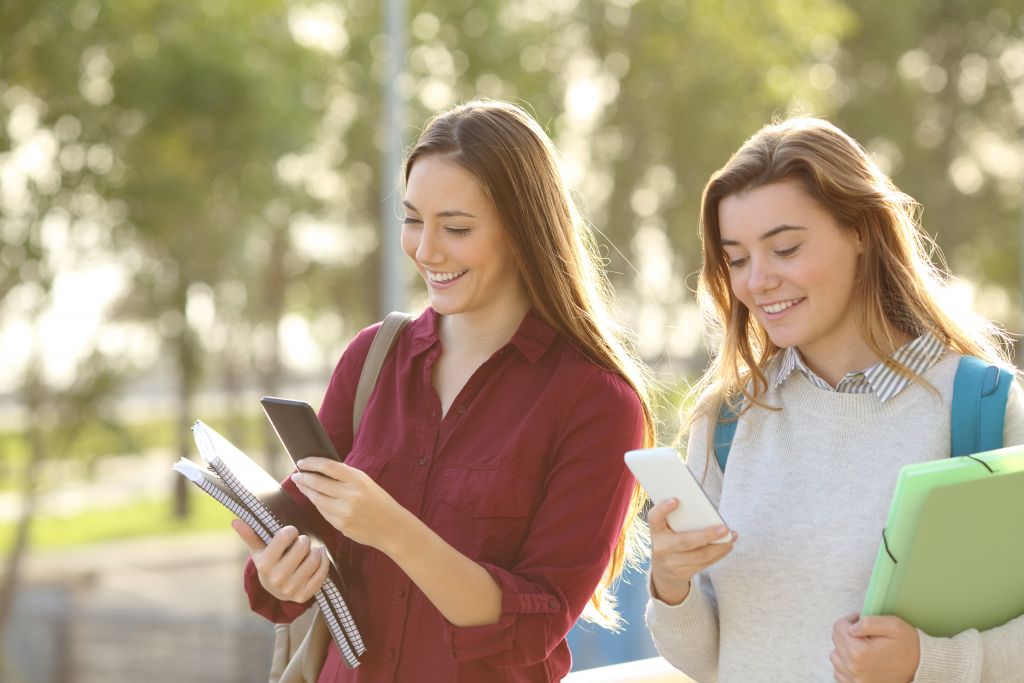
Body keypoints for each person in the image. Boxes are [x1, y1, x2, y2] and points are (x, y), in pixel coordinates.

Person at [232, 100, 656, 682]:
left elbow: (535, 624)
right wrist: (280, 571)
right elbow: (304, 530)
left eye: (456, 228)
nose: (426, 250)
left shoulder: (597, 402)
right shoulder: (372, 359)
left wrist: (393, 529)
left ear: (523, 231)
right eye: (413, 220)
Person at [645, 117, 1024, 682]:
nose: (757, 282)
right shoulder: (728, 418)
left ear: (861, 231)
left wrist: (928, 661)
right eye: (738, 259)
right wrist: (671, 585)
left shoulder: (983, 407)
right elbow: (709, 662)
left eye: (785, 248)